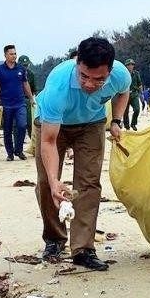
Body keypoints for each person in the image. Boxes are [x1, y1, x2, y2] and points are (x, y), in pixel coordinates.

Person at [34, 37, 130, 270]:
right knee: (48, 183)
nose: (89, 84)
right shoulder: (58, 83)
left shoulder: (120, 75)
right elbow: (48, 141)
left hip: (92, 123)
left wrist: (116, 119)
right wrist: (57, 181)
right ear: (77, 62)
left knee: (88, 183)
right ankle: (54, 239)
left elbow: (123, 93)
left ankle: (83, 248)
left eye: (99, 79)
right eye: (84, 76)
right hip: (51, 125)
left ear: (110, 71)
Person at [0, 45, 35, 161]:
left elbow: (25, 84)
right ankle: (10, 153)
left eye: (15, 54)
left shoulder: (21, 69)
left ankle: (19, 150)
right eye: (11, 54)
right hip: (6, 104)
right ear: (5, 55)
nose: (14, 56)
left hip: (20, 103)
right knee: (7, 130)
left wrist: (31, 98)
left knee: (22, 125)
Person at [18, 54, 38, 138]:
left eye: (26, 65)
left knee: (30, 122)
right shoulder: (15, 73)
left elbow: (34, 89)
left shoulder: (31, 74)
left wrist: (34, 100)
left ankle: (31, 139)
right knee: (19, 123)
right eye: (23, 65)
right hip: (17, 100)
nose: (25, 67)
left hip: (28, 100)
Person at [122, 59, 144, 130]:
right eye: (129, 65)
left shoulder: (136, 73)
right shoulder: (123, 74)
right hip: (125, 94)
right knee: (125, 112)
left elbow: (140, 84)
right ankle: (126, 126)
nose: (130, 66)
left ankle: (133, 124)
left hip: (134, 94)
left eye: (132, 64)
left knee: (137, 109)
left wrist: (141, 94)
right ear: (126, 66)